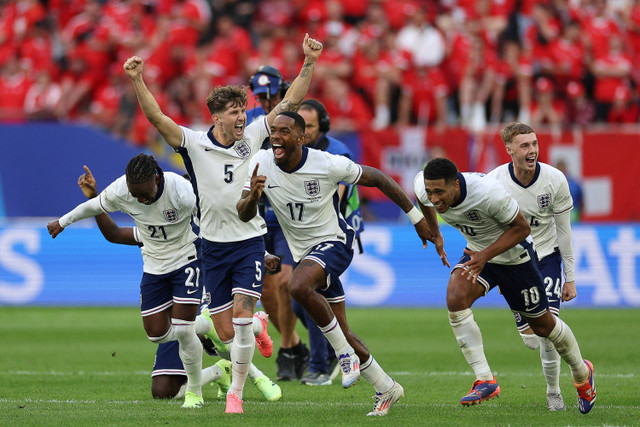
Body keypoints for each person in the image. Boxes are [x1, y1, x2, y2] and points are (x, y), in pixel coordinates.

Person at [123, 33, 323, 414]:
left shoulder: (254, 135)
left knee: (241, 321)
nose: (241, 117)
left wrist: (308, 62)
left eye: (243, 110)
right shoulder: (195, 144)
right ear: (216, 116)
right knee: (228, 332)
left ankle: (236, 395)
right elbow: (156, 118)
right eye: (233, 112)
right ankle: (261, 327)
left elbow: (290, 102)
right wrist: (137, 80)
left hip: (249, 240)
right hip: (211, 248)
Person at [237, 112, 437, 416]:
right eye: (273, 131)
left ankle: (343, 355)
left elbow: (380, 179)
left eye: (285, 131)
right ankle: (386, 387)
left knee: (297, 286)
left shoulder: (327, 163)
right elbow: (243, 212)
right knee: (341, 327)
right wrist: (253, 196)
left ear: (301, 138)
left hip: (335, 242)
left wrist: (417, 219)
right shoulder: (261, 162)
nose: (276, 136)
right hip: (306, 255)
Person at [73, 165, 283, 402]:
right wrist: (94, 201)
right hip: (180, 318)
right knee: (163, 391)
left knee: (222, 332)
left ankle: (253, 359)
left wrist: (263, 255)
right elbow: (114, 234)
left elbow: (240, 241)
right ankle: (221, 371)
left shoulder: (210, 228)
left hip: (208, 304)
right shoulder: (159, 230)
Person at [414, 157, 596, 414]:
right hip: (479, 255)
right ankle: (485, 379)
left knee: (543, 327)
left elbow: (521, 229)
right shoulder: (424, 187)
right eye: (430, 191)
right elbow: (423, 201)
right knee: (455, 298)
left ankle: (581, 371)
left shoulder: (489, 194)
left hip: (515, 258)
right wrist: (436, 233)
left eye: (439, 192)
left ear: (456, 185)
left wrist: (486, 255)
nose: (434, 198)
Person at [47, 154, 214, 409]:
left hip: (187, 259)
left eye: (145, 194)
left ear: (157, 179)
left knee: (182, 329)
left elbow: (212, 217)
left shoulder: (180, 190)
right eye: (135, 195)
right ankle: (206, 327)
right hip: (155, 269)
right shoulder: (125, 196)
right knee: (156, 335)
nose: (141, 200)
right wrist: (62, 222)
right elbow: (101, 217)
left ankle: (194, 392)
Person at [487, 122, 577, 411]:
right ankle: (519, 308)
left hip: (546, 255)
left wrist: (570, 277)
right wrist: (499, 274)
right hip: (513, 260)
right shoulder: (494, 182)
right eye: (525, 145)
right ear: (509, 150)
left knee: (547, 331)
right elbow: (488, 230)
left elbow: (564, 232)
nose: (532, 150)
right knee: (531, 342)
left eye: (535, 144)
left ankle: (554, 392)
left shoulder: (555, 180)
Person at [247, 65, 311, 382]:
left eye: (270, 94)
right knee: (266, 294)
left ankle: (286, 350)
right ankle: (296, 344)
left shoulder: (288, 122)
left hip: (285, 212)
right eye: (260, 96)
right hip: (254, 214)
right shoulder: (248, 124)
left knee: (286, 283)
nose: (265, 100)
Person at [293, 99, 363, 386]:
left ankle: (320, 366)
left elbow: (341, 197)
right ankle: (336, 348)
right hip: (308, 234)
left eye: (309, 126)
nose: (304, 131)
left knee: (308, 291)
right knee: (300, 302)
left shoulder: (337, 151)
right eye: (301, 125)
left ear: (322, 125)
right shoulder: (296, 152)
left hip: (337, 231)